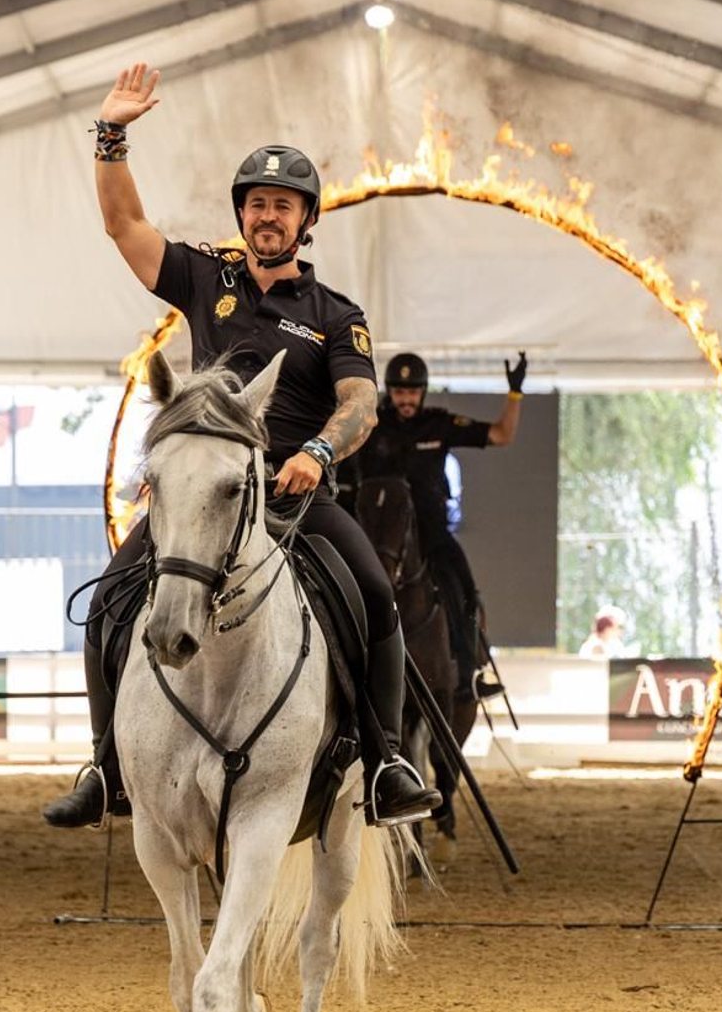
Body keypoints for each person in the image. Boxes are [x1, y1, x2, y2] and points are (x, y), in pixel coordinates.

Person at [43, 62, 441, 829]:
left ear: (305, 219)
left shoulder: (335, 313)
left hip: (293, 494)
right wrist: (111, 134)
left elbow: (359, 403)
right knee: (107, 605)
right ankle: (104, 765)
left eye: (282, 206)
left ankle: (387, 759)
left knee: (376, 594)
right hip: (201, 494)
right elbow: (124, 227)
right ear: (243, 213)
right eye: (257, 203)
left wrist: (318, 453)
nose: (267, 216)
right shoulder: (204, 276)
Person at [344, 350, 525, 682]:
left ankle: (469, 674)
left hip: (433, 534)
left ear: (423, 392)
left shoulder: (439, 424)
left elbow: (502, 435)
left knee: (466, 593)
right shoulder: (371, 426)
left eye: (412, 392)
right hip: (377, 539)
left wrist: (514, 394)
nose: (406, 399)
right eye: (400, 392)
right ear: (390, 391)